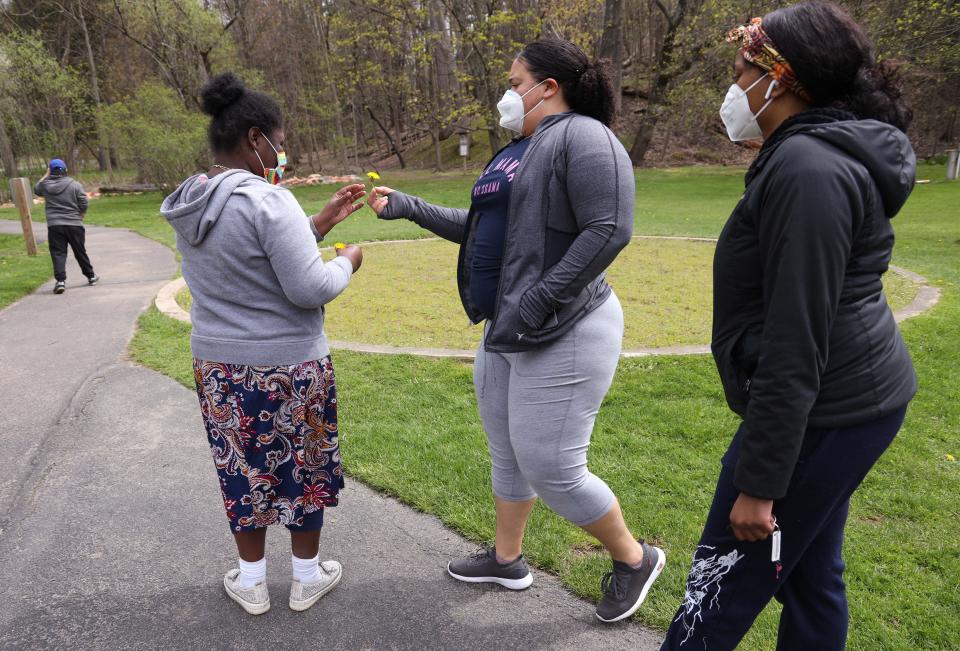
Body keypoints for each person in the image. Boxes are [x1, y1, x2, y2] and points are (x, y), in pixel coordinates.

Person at [367, 38, 665, 623]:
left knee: (551, 465)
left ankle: (634, 558)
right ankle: (507, 560)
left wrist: (537, 302)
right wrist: (408, 205)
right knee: (506, 453)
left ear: (547, 87)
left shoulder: (585, 136)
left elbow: (609, 229)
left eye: (514, 81)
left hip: (566, 327)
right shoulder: (519, 149)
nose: (507, 93)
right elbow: (485, 231)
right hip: (508, 328)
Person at [661, 3, 916, 648]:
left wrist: (761, 482)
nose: (734, 85)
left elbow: (798, 338)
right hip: (847, 402)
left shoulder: (809, 171)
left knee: (717, 589)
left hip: (827, 411)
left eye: (740, 68)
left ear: (779, 80)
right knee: (807, 575)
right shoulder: (802, 156)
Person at [160, 72, 366, 616]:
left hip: (222, 370)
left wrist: (315, 224)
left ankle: (250, 582)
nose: (284, 151)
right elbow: (309, 287)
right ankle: (305, 577)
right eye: (280, 139)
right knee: (303, 466)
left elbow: (244, 262)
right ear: (256, 139)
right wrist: (347, 261)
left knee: (242, 466)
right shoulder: (270, 203)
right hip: (290, 367)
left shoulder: (192, 201)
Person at [34, 158, 97, 294]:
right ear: (65, 170)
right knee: (79, 250)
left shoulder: (45, 185)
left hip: (55, 225)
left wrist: (46, 175)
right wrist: (82, 214)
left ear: (50, 170)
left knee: (58, 253)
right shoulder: (75, 185)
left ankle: (60, 281)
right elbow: (83, 202)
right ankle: (91, 276)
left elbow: (36, 189)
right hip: (74, 224)